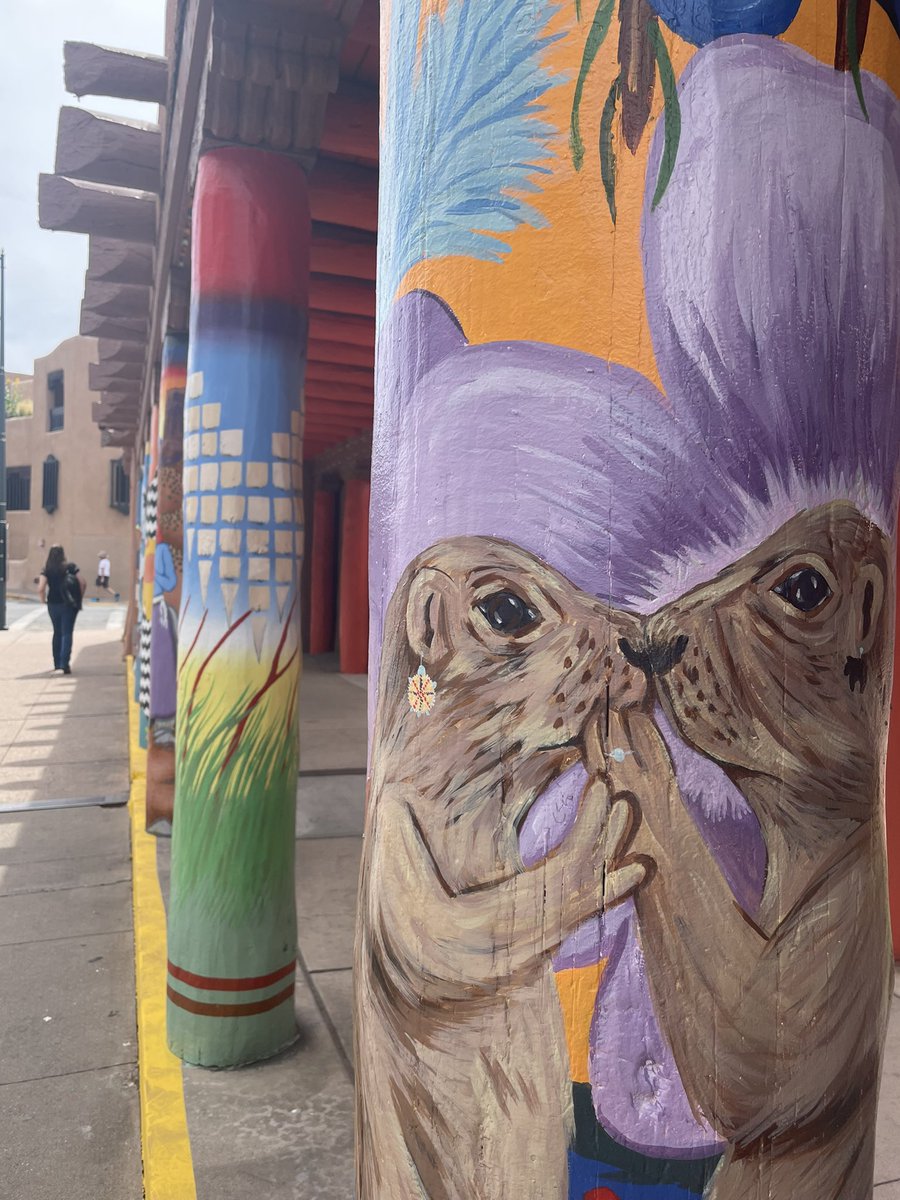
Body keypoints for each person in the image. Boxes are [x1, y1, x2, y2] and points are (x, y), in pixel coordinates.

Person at [38, 545, 86, 675]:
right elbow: (82, 582)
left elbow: (41, 588)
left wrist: (43, 601)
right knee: (67, 632)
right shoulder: (70, 567)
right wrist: (78, 597)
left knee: (57, 632)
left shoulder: (47, 569)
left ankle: (57, 662)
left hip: (53, 603)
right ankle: (65, 663)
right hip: (68, 604)